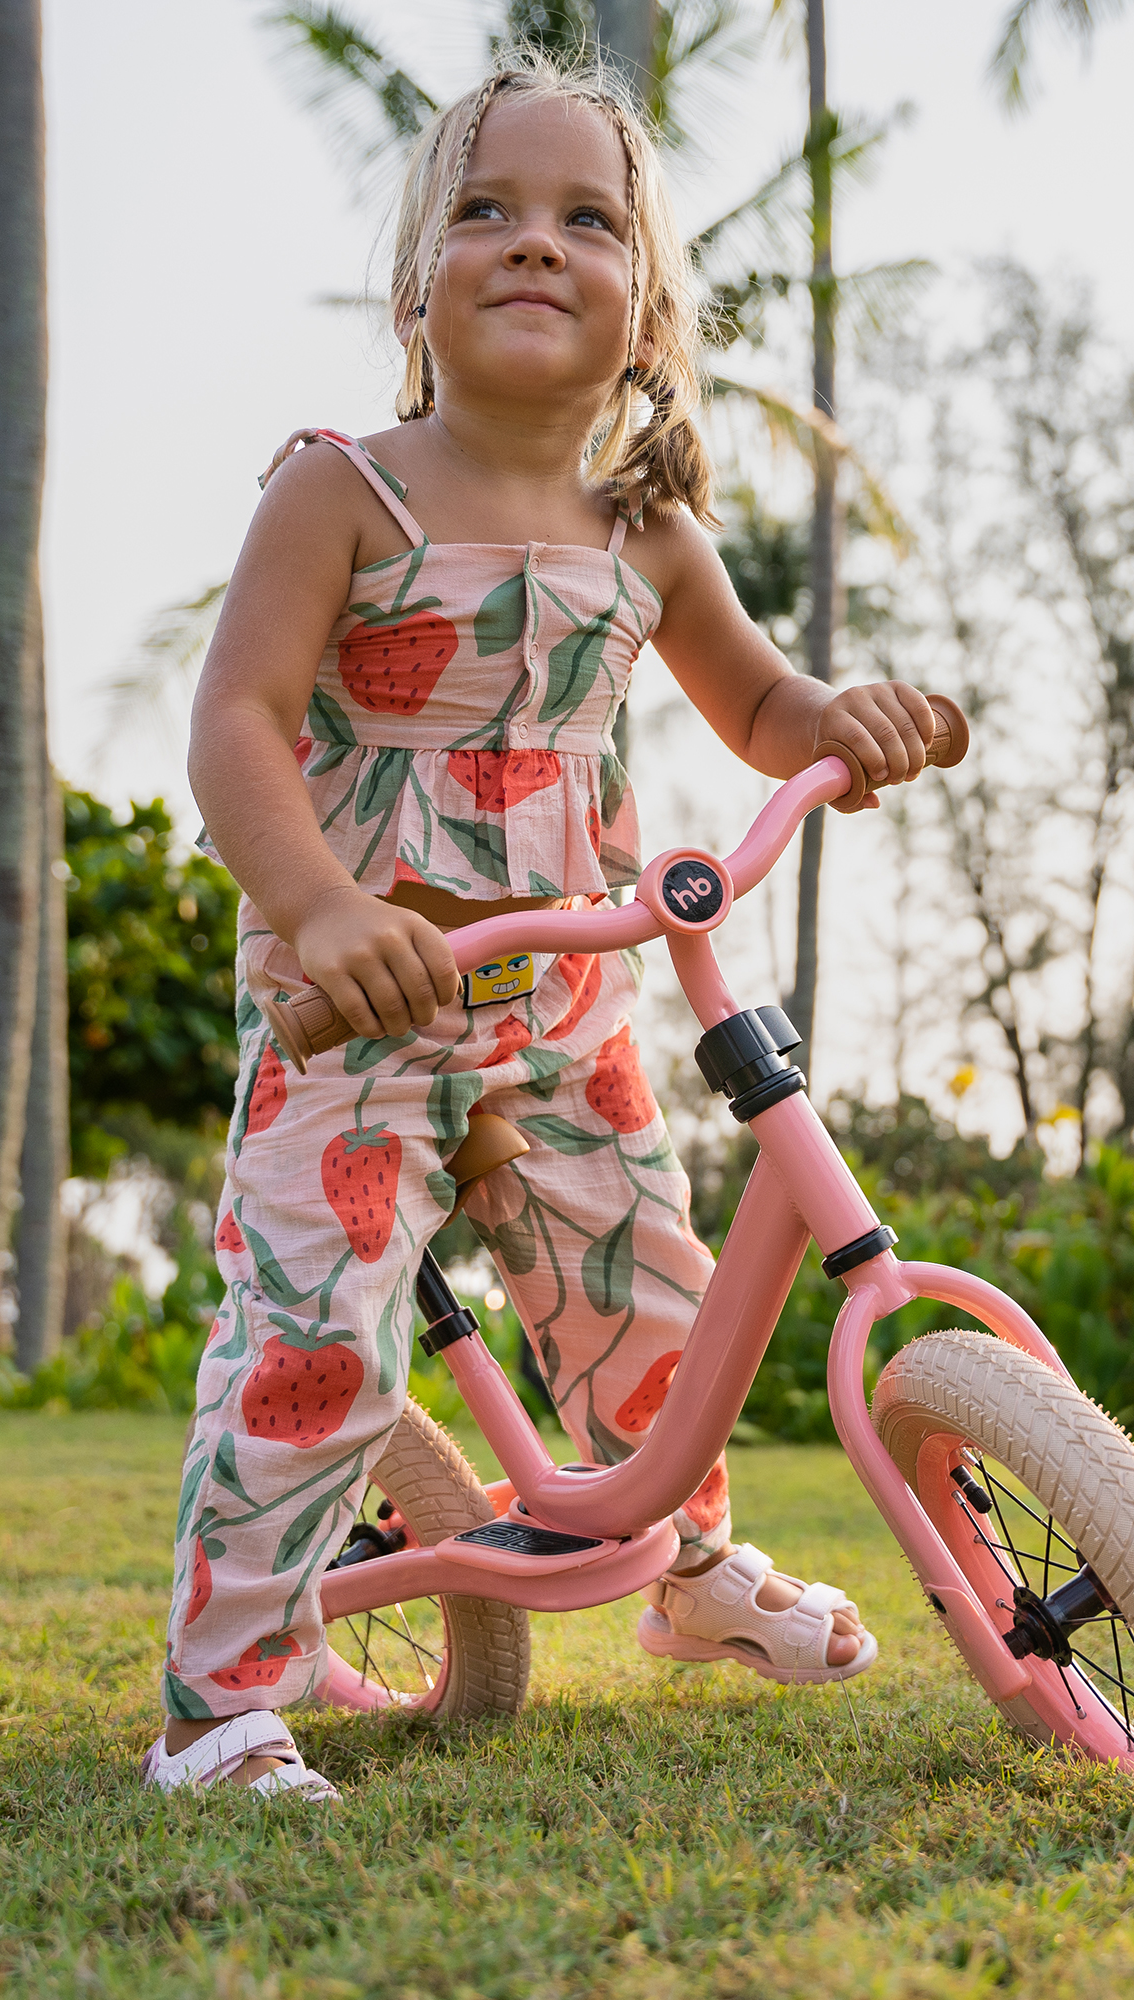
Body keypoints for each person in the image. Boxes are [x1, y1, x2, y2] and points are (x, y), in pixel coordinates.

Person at [144, 49, 934, 1800]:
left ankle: (693, 1573)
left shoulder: (647, 536)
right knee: (312, 1334)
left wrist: (845, 725)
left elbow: (767, 708)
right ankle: (222, 1700)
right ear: (417, 277)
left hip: (566, 1003)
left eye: (589, 220)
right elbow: (234, 725)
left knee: (645, 1292)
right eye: (486, 210)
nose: (535, 244)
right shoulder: (345, 490)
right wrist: (320, 905)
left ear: (645, 307)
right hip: (365, 1000)